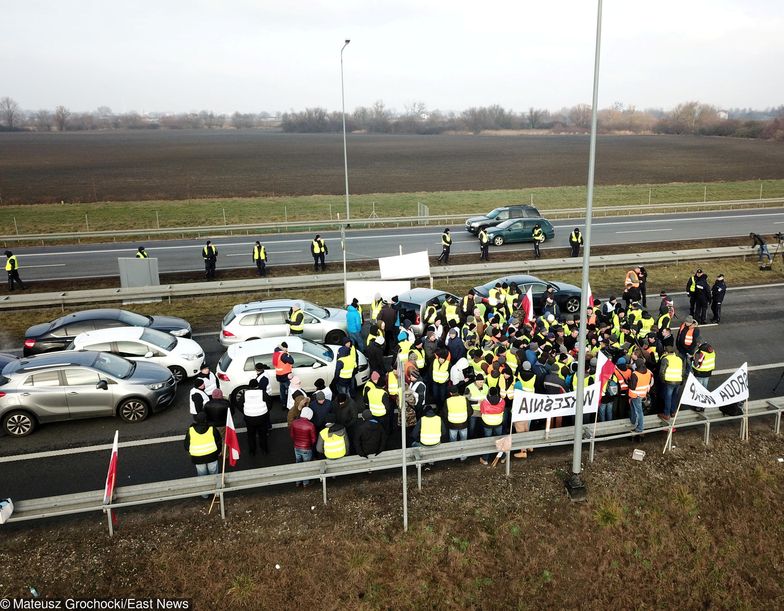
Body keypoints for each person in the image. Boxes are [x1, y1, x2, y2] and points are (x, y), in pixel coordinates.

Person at [183, 412, 222, 497]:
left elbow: (186, 445)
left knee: (202, 476)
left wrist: (191, 452)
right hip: (212, 456)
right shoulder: (212, 429)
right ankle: (217, 493)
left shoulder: (191, 430)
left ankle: (205, 494)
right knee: (214, 474)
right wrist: (218, 452)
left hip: (197, 458)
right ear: (206, 419)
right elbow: (218, 442)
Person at [290, 407, 317, 486]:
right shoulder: (310, 425)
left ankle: (298, 482)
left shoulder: (294, 423)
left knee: (298, 464)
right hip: (306, 448)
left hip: (296, 447)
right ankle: (306, 482)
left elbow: (292, 435)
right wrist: (309, 445)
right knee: (306, 466)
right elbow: (313, 439)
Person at [243, 379, 271, 456]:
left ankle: (252, 451)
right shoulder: (262, 393)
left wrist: (245, 411)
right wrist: (266, 411)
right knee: (262, 435)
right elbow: (269, 403)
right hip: (262, 417)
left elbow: (239, 404)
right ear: (257, 385)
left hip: (249, 418)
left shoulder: (245, 394)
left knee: (251, 435)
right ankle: (264, 450)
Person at [628, 359, 653, 439]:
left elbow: (632, 386)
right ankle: (633, 421)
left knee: (639, 411)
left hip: (635, 395)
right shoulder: (648, 372)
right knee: (634, 408)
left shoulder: (635, 374)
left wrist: (628, 382)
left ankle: (640, 428)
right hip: (642, 394)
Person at [479, 386, 504, 465]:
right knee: (499, 439)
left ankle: (485, 459)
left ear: (489, 393)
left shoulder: (484, 402)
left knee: (488, 439)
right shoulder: (502, 401)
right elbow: (502, 410)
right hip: (498, 422)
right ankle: (502, 457)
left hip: (487, 423)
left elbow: (482, 411)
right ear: (497, 393)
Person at [658, 346, 683, 421]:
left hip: (669, 381)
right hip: (678, 380)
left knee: (668, 397)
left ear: (666, 352)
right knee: (674, 397)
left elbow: (662, 372)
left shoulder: (666, 359)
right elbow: (683, 371)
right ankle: (673, 412)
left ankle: (666, 414)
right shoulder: (679, 359)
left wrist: (662, 380)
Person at [272, 342, 294, 406]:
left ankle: (283, 404)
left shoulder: (276, 353)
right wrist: (287, 353)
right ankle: (290, 404)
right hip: (285, 376)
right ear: (284, 348)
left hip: (279, 376)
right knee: (290, 391)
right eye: (287, 348)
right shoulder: (283, 355)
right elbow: (292, 361)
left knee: (282, 392)